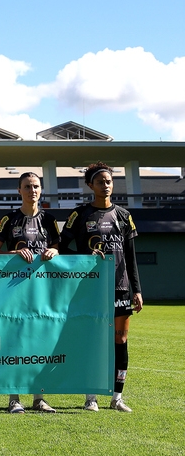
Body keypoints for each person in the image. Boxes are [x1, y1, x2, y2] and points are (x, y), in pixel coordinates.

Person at [60, 162, 143, 413]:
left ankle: (117, 397)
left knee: (121, 340)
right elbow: (62, 247)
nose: (105, 185)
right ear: (90, 186)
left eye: (108, 181)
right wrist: (86, 253)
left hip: (120, 288)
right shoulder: (80, 214)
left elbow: (130, 256)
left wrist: (137, 290)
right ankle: (91, 397)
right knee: (92, 340)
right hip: (90, 288)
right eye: (100, 182)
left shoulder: (124, 215)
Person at [0, 172, 61, 414]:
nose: (33, 191)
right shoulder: (8, 219)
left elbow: (59, 247)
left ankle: (39, 397)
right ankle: (14, 397)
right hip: (14, 291)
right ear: (19, 190)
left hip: (43, 291)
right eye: (28, 187)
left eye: (36, 186)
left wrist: (54, 250)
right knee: (15, 343)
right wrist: (15, 254)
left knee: (41, 344)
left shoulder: (50, 220)